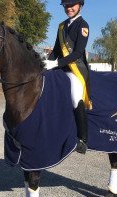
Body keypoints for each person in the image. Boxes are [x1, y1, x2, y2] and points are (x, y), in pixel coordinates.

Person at [43, 0, 92, 154]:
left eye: (72, 5)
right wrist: (47, 64)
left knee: (76, 97)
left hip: (76, 69)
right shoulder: (61, 26)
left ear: (80, 6)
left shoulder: (83, 25)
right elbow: (57, 49)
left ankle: (83, 139)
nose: (69, 8)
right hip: (60, 66)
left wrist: (56, 64)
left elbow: (77, 53)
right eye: (66, 6)